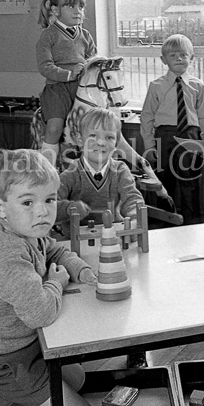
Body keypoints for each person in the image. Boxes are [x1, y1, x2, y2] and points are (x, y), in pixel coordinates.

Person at [0, 149, 96, 406]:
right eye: (27, 202)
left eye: (49, 200)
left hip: (28, 343)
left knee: (77, 379)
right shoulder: (5, 255)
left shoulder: (25, 230)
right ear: (1, 208)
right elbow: (40, 314)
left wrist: (80, 269)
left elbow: (53, 250)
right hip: (3, 361)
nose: (42, 212)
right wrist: (55, 283)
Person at [55, 107, 148, 368]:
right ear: (79, 138)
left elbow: (131, 196)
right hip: (78, 249)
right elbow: (53, 202)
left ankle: (135, 348)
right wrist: (69, 208)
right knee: (81, 300)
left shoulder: (120, 171)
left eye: (109, 137)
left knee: (128, 295)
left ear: (116, 142)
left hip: (114, 243)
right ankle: (77, 349)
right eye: (93, 135)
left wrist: (134, 211)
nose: (101, 142)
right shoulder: (70, 175)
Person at [140, 34, 204, 224]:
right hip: (164, 136)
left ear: (191, 58)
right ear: (164, 60)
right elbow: (147, 117)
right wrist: (149, 146)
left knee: (190, 182)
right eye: (173, 56)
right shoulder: (156, 86)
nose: (179, 59)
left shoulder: (198, 85)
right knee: (164, 181)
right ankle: (166, 220)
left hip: (190, 136)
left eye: (183, 55)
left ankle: (191, 222)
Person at [36, 0, 97, 164]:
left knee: (91, 129)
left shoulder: (85, 35)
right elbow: (45, 67)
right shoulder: (48, 36)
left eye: (81, 7)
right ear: (55, 10)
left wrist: (88, 70)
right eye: (71, 6)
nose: (78, 11)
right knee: (54, 129)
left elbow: (93, 62)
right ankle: (47, 168)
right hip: (57, 89)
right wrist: (69, 74)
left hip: (81, 89)